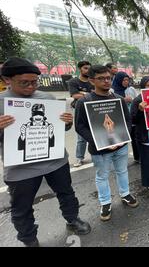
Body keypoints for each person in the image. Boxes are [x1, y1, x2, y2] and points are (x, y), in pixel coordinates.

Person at [0, 57, 91, 247]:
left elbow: (60, 130)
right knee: (21, 207)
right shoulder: (1, 102)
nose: (31, 86)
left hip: (55, 161)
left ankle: (72, 219)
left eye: (35, 82)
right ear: (7, 80)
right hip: (21, 168)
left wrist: (66, 123)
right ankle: (28, 238)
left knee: (66, 193)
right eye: (25, 82)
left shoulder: (46, 98)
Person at [75, 65, 138, 221]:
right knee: (102, 176)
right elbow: (79, 127)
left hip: (121, 146)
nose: (106, 81)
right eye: (101, 78)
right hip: (100, 149)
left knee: (122, 171)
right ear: (91, 80)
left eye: (108, 78)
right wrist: (98, 142)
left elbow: (127, 121)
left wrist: (123, 137)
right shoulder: (84, 102)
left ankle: (125, 194)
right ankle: (105, 202)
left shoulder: (118, 99)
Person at [67, 61, 92, 167]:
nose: (88, 70)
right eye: (85, 68)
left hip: (92, 110)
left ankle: (95, 156)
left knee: (94, 134)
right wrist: (88, 94)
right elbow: (74, 95)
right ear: (80, 69)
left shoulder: (92, 81)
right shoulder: (73, 82)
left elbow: (97, 94)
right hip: (80, 111)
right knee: (81, 137)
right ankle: (79, 158)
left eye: (89, 68)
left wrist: (82, 93)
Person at [111, 72, 140, 162]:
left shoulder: (131, 89)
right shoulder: (112, 91)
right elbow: (111, 104)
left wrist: (133, 100)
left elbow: (137, 99)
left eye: (127, 80)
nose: (126, 82)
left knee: (134, 137)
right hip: (119, 117)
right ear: (119, 80)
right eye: (124, 80)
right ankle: (119, 158)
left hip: (131, 116)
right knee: (121, 138)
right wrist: (123, 100)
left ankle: (137, 157)